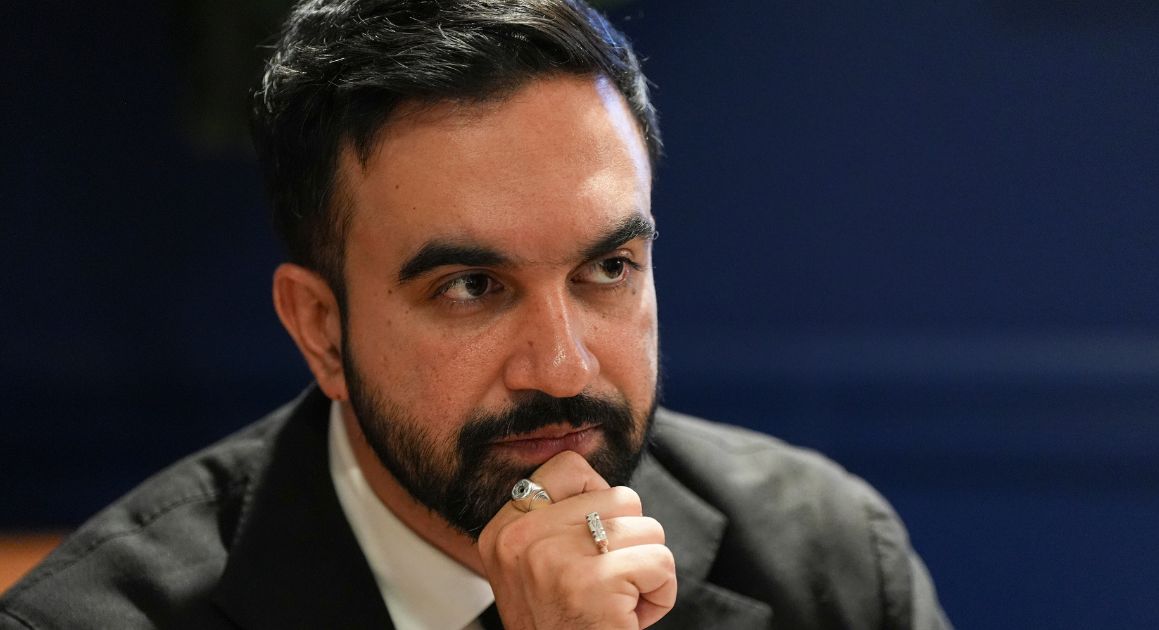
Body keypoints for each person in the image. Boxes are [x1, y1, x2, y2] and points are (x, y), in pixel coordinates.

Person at [0, 1, 950, 628]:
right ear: (320, 330)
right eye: (470, 287)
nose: (564, 368)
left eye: (608, 267)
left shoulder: (828, 559)